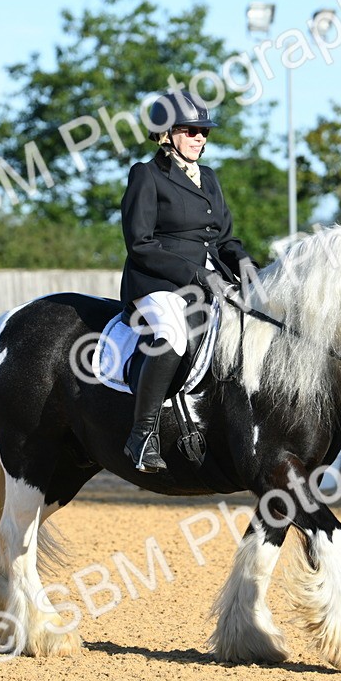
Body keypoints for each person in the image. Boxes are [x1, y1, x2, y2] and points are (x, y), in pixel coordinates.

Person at [119, 90, 258, 473]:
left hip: (210, 279)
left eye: (204, 131)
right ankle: (141, 434)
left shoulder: (209, 178)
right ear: (166, 135)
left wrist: (247, 266)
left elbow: (225, 238)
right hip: (157, 282)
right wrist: (198, 274)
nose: (200, 137)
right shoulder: (145, 175)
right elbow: (140, 244)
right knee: (174, 335)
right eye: (191, 130)